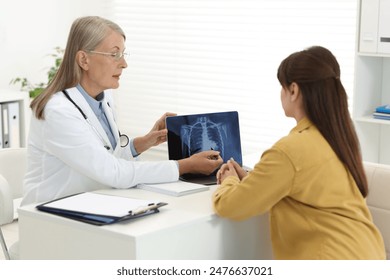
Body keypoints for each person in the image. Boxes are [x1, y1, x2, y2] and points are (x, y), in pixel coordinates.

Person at [22, 16, 222, 205]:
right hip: (50, 216)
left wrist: (142, 143)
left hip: (93, 202)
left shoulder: (104, 99)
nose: (124, 63)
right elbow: (113, 171)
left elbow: (107, 157)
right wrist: (185, 166)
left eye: (123, 54)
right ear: (84, 60)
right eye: (114, 54)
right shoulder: (57, 112)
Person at [213, 46, 386, 260]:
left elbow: (231, 206)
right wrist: (252, 181)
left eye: (282, 87)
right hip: (368, 254)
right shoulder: (339, 138)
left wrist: (229, 180)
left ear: (293, 90)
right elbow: (308, 187)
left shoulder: (289, 150)